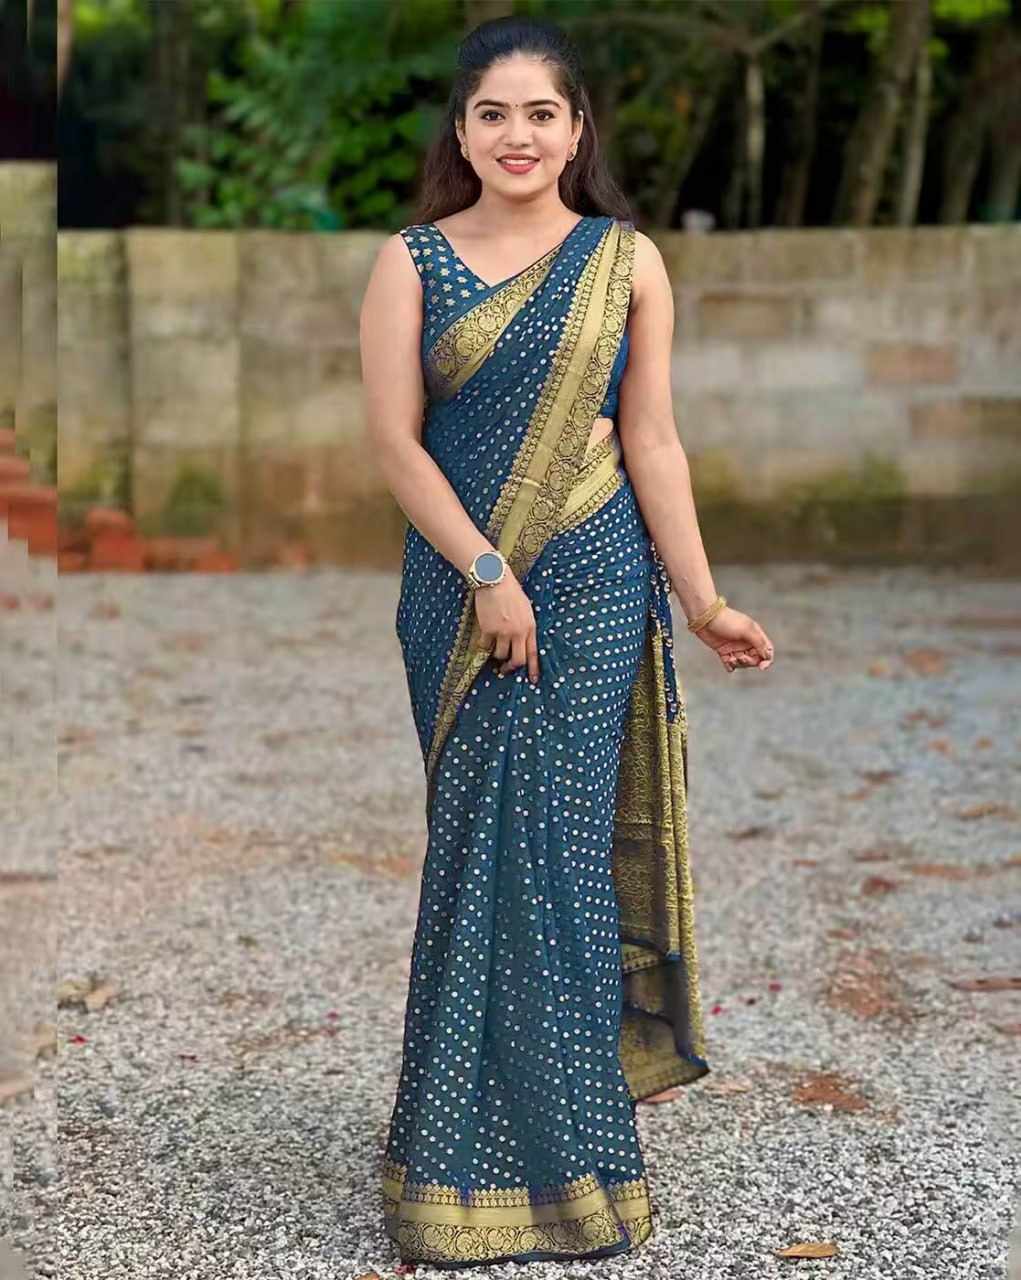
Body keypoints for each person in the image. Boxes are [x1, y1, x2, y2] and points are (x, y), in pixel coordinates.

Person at [359, 14, 774, 1270]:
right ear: (462, 130)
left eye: (541, 113)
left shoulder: (625, 261)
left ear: (576, 128)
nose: (518, 135)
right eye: (493, 113)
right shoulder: (412, 262)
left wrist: (702, 600)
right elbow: (395, 444)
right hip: (460, 593)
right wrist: (486, 572)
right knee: (480, 855)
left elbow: (651, 437)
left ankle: (577, 1163)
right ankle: (455, 1163)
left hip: (595, 581)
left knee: (561, 861)